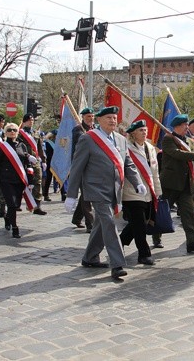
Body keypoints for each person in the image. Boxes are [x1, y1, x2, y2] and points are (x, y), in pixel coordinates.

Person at [64, 106, 145, 279]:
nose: (112, 121)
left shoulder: (121, 140)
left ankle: (90, 257)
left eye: (114, 118)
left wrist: (138, 183)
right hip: (96, 189)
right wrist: (71, 195)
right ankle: (117, 264)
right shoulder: (88, 139)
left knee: (101, 223)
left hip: (115, 188)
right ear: (99, 120)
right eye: (108, 117)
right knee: (109, 222)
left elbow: (128, 164)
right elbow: (77, 168)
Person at [159, 114, 194, 253]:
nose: (187, 127)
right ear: (177, 127)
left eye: (187, 125)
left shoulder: (189, 140)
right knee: (162, 212)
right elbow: (176, 153)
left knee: (188, 213)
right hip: (171, 183)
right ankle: (156, 235)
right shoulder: (168, 139)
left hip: (186, 183)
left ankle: (193, 240)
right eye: (185, 125)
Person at [120, 119, 162, 265]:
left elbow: (154, 172)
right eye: (140, 130)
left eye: (145, 130)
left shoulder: (150, 148)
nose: (144, 133)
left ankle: (120, 242)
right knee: (139, 224)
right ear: (133, 133)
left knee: (138, 223)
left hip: (148, 192)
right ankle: (144, 254)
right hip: (131, 192)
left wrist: (157, 191)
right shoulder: (126, 148)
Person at [0, 122, 34, 239]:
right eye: (9, 130)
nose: (12, 132)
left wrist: (31, 180)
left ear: (17, 132)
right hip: (6, 180)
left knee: (16, 204)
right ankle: (15, 228)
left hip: (19, 180)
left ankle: (8, 218)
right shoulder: (2, 147)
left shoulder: (22, 146)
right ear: (5, 132)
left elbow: (27, 164)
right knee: (12, 204)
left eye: (14, 130)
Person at [71, 107, 96, 232]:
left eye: (92, 116)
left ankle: (76, 218)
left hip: (93, 166)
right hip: (81, 165)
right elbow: (80, 140)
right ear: (83, 118)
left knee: (87, 193)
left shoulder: (95, 129)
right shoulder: (77, 130)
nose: (91, 119)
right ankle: (90, 223)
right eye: (88, 117)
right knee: (86, 194)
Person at [18, 113, 47, 215]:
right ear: (24, 121)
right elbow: (18, 148)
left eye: (33, 120)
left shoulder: (35, 133)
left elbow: (40, 148)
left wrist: (43, 160)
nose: (31, 122)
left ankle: (37, 206)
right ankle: (18, 203)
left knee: (37, 183)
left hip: (36, 162)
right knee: (23, 183)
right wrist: (27, 156)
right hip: (24, 162)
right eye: (29, 120)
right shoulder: (19, 133)